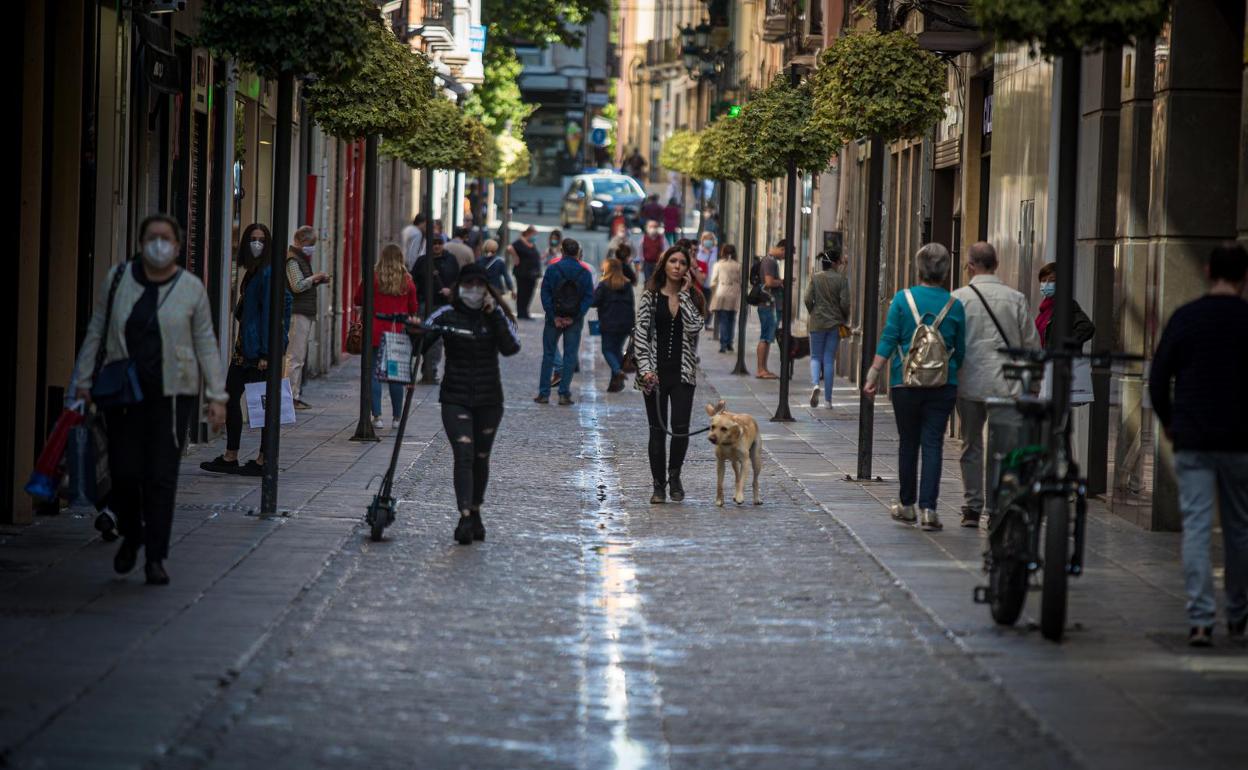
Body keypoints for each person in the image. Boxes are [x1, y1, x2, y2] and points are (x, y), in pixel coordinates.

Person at [75, 214, 227, 586]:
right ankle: (132, 533)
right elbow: (97, 328)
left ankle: (155, 557)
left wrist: (217, 396)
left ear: (176, 246)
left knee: (161, 477)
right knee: (125, 474)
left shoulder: (191, 288)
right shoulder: (119, 280)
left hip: (173, 398)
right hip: (124, 393)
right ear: (141, 242)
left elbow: (206, 341)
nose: (158, 244)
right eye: (152, 238)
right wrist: (81, 379)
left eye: (165, 238)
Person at [1148, 242, 1248, 647]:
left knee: (1196, 527)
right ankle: (1239, 615)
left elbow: (1159, 377)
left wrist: (1169, 419)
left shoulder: (1187, 318)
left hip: (1192, 437)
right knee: (1240, 530)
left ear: (1208, 272)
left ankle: (1201, 620)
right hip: (1241, 440)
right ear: (1244, 277)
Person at [862, 243, 966, 533]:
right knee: (933, 443)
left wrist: (872, 375)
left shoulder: (901, 300)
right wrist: (952, 374)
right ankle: (930, 511)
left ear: (918, 268)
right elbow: (961, 351)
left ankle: (906, 506)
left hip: (904, 382)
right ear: (946, 271)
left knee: (908, 442)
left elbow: (888, 339)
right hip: (943, 385)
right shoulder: (954, 305)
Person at [415, 262, 521, 545]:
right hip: (455, 397)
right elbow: (421, 345)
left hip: (489, 399)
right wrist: (417, 333)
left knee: (480, 457)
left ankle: (475, 510)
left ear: (486, 289)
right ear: (460, 287)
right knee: (463, 453)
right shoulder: (446, 314)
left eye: (478, 286)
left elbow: (511, 347)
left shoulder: (495, 315)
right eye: (468, 286)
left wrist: (495, 314)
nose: (473, 291)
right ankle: (463, 515)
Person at [950, 242, 1040, 527]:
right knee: (1003, 448)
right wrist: (1034, 383)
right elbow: (1031, 344)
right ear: (996, 264)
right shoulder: (1016, 299)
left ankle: (972, 506)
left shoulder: (958, 299)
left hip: (969, 382)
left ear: (971, 265)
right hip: (1007, 385)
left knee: (971, 443)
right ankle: (998, 506)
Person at [200, 224, 292, 478]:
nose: (256, 244)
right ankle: (231, 455)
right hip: (245, 348)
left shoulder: (268, 272)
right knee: (232, 395)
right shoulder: (253, 272)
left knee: (262, 403)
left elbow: (278, 308)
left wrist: (267, 352)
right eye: (252, 239)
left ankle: (263, 459)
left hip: (258, 352)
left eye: (261, 240)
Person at [634, 246, 706, 504]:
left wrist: (685, 296)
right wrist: (646, 370)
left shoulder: (693, 297)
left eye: (682, 263)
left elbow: (696, 327)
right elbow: (641, 336)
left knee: (680, 429)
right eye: (673, 261)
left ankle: (674, 476)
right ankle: (657, 486)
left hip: (683, 374)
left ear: (688, 269)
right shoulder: (650, 297)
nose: (677, 266)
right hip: (654, 374)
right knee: (657, 430)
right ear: (664, 264)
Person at [354, 244, 419, 429]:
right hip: (396, 329)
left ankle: (377, 417)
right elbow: (413, 308)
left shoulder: (372, 277)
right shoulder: (407, 281)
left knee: (373, 374)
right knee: (395, 375)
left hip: (374, 328)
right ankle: (397, 418)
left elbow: (358, 299)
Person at [535, 238, 594, 405]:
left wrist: (553, 316)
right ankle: (563, 394)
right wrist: (574, 316)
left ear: (562, 251)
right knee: (570, 356)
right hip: (574, 320)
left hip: (553, 319)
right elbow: (589, 297)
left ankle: (544, 393)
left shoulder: (552, 269)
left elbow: (545, 294)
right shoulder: (585, 272)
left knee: (548, 354)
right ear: (577, 253)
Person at [285, 226, 330, 410]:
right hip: (298, 312)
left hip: (303, 311)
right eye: (310, 244)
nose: (312, 248)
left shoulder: (300, 259)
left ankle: (293, 394)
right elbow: (297, 286)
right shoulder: (293, 260)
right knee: (295, 356)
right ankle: (290, 397)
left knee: (298, 356)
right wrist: (315, 277)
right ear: (301, 241)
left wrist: (316, 281)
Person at [803, 249, 851, 409]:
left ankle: (815, 384)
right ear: (835, 263)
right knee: (829, 359)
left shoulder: (815, 278)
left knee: (815, 357)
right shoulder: (842, 279)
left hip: (817, 322)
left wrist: (813, 312)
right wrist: (844, 317)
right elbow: (845, 303)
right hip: (835, 323)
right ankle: (828, 401)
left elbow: (807, 298)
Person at [412, 235, 460, 384]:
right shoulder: (422, 261)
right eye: (434, 243)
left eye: (439, 243)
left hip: (442, 306)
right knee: (420, 337)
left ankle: (430, 372)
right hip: (423, 304)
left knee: (436, 340)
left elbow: (458, 281)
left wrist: (450, 291)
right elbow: (414, 282)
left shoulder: (451, 260)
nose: (437, 246)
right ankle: (416, 371)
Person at [592, 257, 636, 393]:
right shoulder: (627, 284)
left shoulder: (604, 284)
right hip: (625, 323)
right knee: (617, 350)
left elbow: (594, 301)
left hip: (608, 322)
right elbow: (631, 304)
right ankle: (615, 383)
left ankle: (617, 371)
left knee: (607, 349)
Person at [754, 242, 784, 379]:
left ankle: (764, 368)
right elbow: (769, 282)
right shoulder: (770, 262)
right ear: (781, 249)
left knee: (768, 336)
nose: (785, 257)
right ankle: (761, 369)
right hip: (768, 304)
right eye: (786, 253)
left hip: (769, 304)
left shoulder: (769, 260)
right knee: (765, 337)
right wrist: (782, 281)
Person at [709, 244, 741, 353]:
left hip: (721, 292)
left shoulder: (718, 265)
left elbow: (713, 281)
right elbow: (741, 280)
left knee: (723, 320)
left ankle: (723, 344)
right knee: (732, 319)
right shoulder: (738, 266)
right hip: (734, 294)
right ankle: (729, 343)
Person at [508, 226, 542, 320]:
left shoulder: (531, 243)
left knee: (529, 293)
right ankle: (521, 312)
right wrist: (515, 257)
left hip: (532, 274)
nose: (535, 236)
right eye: (534, 234)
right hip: (522, 273)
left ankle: (525, 311)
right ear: (529, 233)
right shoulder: (520, 242)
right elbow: (510, 247)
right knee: (522, 292)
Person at [695, 232, 718, 330]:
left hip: (712, 281)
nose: (708, 241)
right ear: (702, 240)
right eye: (706, 239)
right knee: (700, 302)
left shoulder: (716, 251)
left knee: (710, 303)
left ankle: (707, 322)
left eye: (710, 239)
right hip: (700, 281)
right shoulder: (698, 251)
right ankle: (699, 321)